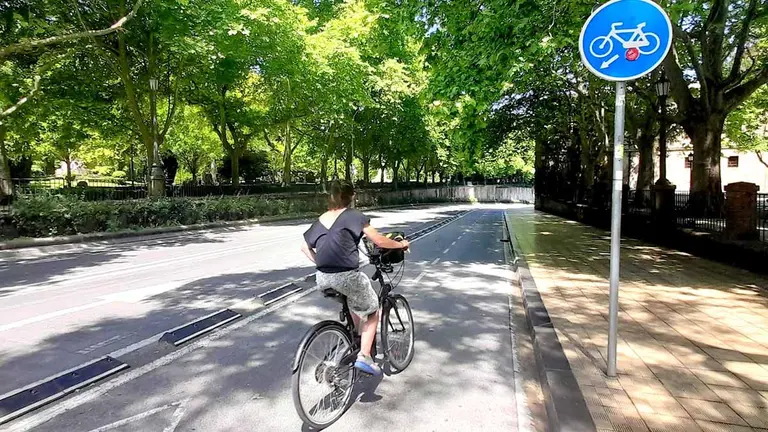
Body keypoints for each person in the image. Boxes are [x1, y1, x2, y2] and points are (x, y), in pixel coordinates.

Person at [301, 180, 409, 376]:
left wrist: (320, 263)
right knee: (373, 308)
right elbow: (378, 240)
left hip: (322, 278)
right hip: (346, 276)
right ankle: (365, 357)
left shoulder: (322, 218)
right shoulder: (354, 215)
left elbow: (304, 247)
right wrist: (401, 245)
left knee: (356, 303)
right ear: (351, 196)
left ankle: (356, 338)